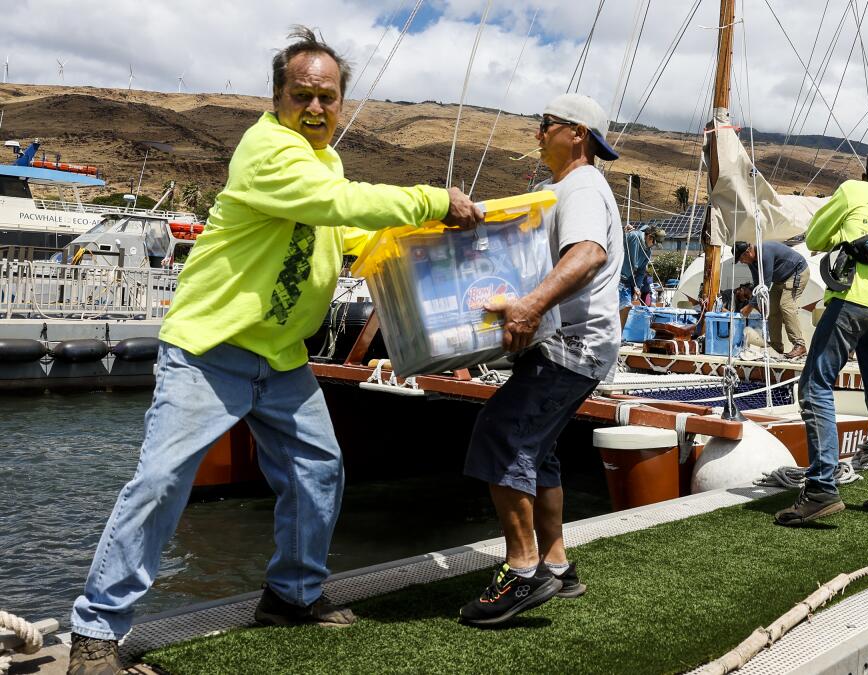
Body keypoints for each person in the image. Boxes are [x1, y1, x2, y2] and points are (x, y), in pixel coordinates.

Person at [67, 27, 483, 674]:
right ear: (276, 98)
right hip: (211, 349)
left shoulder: (327, 162)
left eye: (326, 97)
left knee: (319, 470)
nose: (314, 108)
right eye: (301, 96)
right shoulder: (268, 150)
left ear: (341, 102)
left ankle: (290, 594)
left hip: (281, 353)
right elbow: (332, 202)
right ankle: (95, 633)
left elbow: (340, 224)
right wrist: (433, 198)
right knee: (160, 482)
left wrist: (420, 234)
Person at [459, 93, 622, 626]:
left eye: (544, 124)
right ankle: (556, 563)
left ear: (576, 133)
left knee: (500, 434)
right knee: (540, 449)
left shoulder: (580, 186)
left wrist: (528, 305)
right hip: (571, 343)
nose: (537, 134)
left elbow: (587, 253)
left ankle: (524, 571)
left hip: (571, 345)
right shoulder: (565, 188)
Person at [774, 146, 868, 525]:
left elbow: (817, 237)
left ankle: (821, 488)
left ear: (867, 173)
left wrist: (845, 237)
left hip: (851, 300)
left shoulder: (852, 191)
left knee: (816, 385)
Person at [733, 240, 810, 359]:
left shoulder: (765, 253)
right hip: (781, 279)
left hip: (797, 272)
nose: (742, 262)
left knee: (786, 306)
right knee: (772, 309)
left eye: (741, 259)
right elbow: (758, 284)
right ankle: (776, 346)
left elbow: (766, 284)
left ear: (747, 252)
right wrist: (755, 303)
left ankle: (799, 345)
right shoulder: (752, 261)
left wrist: (750, 306)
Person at [618, 225, 663, 325]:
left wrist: (637, 287)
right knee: (615, 307)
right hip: (617, 277)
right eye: (654, 243)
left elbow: (641, 271)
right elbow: (632, 263)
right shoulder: (634, 236)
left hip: (627, 281)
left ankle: (619, 336)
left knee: (626, 307)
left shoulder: (648, 251)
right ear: (649, 237)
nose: (653, 246)